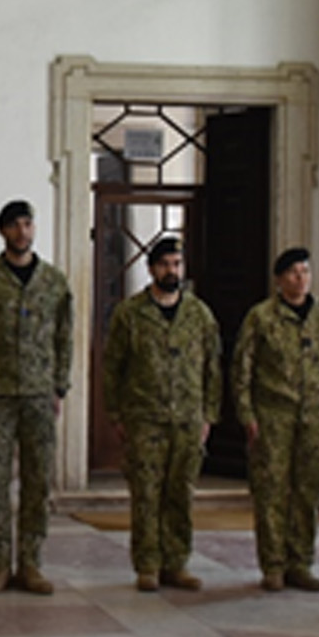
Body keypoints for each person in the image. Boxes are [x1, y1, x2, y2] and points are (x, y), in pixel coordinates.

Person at [0, 199, 74, 595]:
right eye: (14, 225)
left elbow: (64, 336)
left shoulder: (53, 282)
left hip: (40, 394)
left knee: (38, 481)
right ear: (2, 231)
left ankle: (31, 563)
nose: (22, 232)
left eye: (27, 224)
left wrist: (59, 385)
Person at [101, 237, 222, 592]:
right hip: (144, 417)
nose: (173, 271)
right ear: (152, 268)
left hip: (188, 417)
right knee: (146, 494)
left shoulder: (199, 314)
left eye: (178, 264)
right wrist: (116, 413)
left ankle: (177, 563)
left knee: (180, 493)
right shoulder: (130, 313)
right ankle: (148, 565)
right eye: (166, 264)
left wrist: (209, 414)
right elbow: (113, 367)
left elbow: (213, 367)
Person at [233, 247, 319, 593]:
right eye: (294, 273)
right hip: (274, 416)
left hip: (315, 417)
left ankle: (301, 563)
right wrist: (246, 413)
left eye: (305, 272)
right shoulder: (261, 317)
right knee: (271, 491)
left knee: (308, 491)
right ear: (280, 280)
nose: (301, 279)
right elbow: (242, 369)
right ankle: (273, 565)